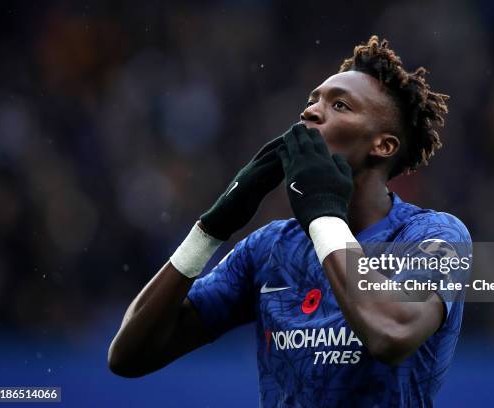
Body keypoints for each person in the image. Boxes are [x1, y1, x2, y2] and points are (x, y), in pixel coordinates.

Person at [108, 35, 472, 407]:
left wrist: (324, 214)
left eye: (340, 105)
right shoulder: (270, 248)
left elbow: (390, 335)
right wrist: (211, 229)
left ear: (383, 145)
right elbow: (128, 357)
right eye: (312, 100)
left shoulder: (433, 236)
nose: (310, 112)